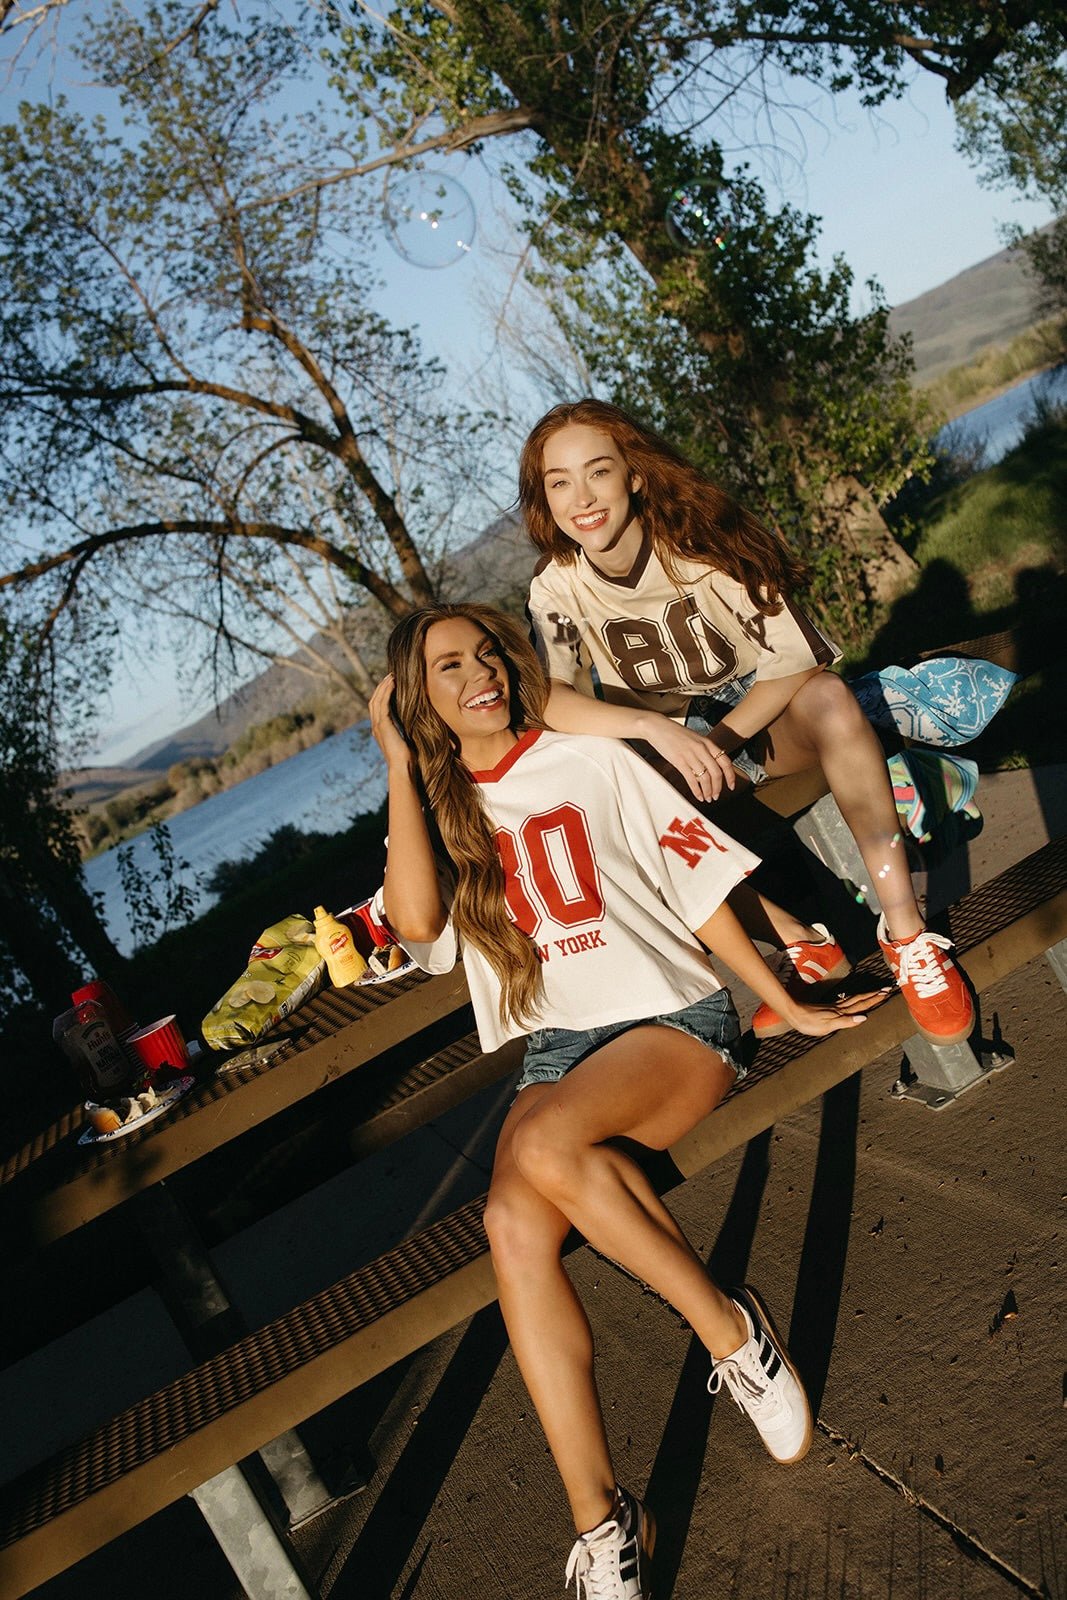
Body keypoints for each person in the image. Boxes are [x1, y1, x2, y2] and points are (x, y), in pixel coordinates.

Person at [369, 601, 887, 1600]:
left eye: (485, 653)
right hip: (556, 1052)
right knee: (511, 1219)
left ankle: (730, 1334)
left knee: (548, 1153)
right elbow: (417, 921)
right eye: (446, 669)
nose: (479, 673)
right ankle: (602, 1521)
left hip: (668, 1023)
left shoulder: (588, 757)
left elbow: (698, 887)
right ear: (416, 703)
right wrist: (396, 764)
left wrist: (780, 998)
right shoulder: (442, 809)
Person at [520, 398, 975, 1046]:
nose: (581, 497)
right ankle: (803, 944)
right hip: (678, 754)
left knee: (829, 699)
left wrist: (720, 741)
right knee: (607, 817)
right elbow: (551, 697)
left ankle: (906, 936)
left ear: (635, 475)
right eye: (558, 481)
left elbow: (794, 663)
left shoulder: (701, 540)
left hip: (762, 719)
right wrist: (655, 731)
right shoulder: (557, 585)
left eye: (597, 471)